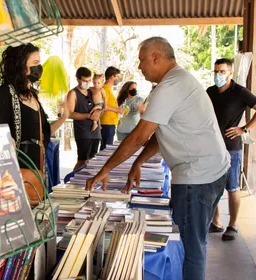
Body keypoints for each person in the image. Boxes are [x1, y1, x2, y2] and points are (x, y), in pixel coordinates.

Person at [86, 37, 230, 280]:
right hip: (209, 170)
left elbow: (138, 137)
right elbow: (158, 133)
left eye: (142, 60)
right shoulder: (177, 81)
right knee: (193, 242)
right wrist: (137, 162)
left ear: (156, 57)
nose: (140, 66)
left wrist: (105, 169)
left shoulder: (170, 86)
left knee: (188, 247)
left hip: (197, 177)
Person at [0, 43, 68, 187]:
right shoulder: (6, 93)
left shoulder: (32, 95)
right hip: (18, 170)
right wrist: (4, 135)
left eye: (39, 63)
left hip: (38, 169)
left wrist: (63, 118)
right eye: (35, 63)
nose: (39, 68)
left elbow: (44, 133)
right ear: (21, 66)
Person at [207, 58, 256, 241]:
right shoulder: (210, 92)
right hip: (212, 146)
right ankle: (216, 222)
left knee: (232, 186)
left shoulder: (240, 92)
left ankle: (233, 225)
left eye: (222, 72)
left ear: (230, 73)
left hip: (231, 147)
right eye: (215, 71)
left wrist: (244, 129)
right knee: (213, 185)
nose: (218, 75)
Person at [66, 67, 102, 171]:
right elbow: (69, 114)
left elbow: (101, 105)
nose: (88, 83)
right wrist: (87, 116)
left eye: (89, 80)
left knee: (92, 159)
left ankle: (86, 182)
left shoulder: (92, 91)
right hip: (83, 132)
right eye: (85, 81)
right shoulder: (73, 93)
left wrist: (99, 111)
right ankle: (71, 179)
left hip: (95, 131)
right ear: (77, 79)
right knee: (82, 160)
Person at [99, 66, 124, 150]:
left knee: (107, 147)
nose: (118, 79)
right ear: (112, 76)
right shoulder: (105, 89)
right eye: (117, 76)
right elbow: (103, 106)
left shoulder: (109, 89)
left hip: (111, 123)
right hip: (106, 123)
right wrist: (117, 110)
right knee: (106, 148)